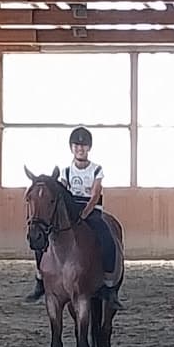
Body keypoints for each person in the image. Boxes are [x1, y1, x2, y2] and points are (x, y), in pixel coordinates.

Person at [24, 126, 121, 306]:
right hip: (70, 211)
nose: (80, 149)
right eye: (76, 146)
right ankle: (40, 279)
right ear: (71, 148)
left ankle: (109, 286)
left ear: (88, 148)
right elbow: (61, 192)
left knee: (106, 238)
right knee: (43, 238)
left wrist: (85, 213)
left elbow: (95, 194)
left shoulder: (96, 169)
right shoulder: (66, 171)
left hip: (91, 212)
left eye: (83, 146)